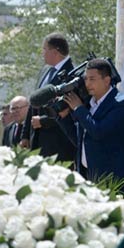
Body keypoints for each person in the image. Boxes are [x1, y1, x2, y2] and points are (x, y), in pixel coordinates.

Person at [60, 59, 124, 196]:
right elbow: (79, 139)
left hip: (113, 179)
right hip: (88, 176)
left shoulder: (121, 104)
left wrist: (78, 108)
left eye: (92, 79)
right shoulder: (88, 104)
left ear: (106, 80)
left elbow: (98, 132)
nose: (87, 83)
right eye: (86, 79)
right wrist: (63, 117)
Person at [20, 33, 76, 162]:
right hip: (37, 142)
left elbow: (68, 109)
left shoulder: (71, 75)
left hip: (58, 144)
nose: (42, 53)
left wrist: (43, 121)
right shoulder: (45, 71)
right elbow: (34, 101)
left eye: (45, 49)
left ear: (55, 51)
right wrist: (25, 135)